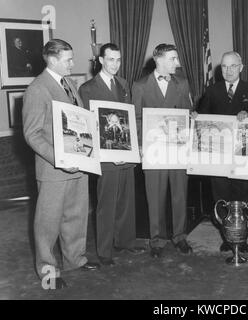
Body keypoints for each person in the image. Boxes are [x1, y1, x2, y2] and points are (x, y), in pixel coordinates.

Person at [22, 39, 100, 290]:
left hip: (78, 164)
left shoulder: (68, 84)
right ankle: (47, 271)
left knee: (76, 216)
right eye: (68, 59)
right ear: (52, 60)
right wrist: (60, 159)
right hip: (54, 168)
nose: (73, 63)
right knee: (48, 222)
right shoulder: (37, 88)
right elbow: (32, 134)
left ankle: (75, 259)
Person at [79, 43, 145, 267]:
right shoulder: (88, 88)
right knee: (106, 203)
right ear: (100, 60)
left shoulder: (124, 84)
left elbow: (128, 118)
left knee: (127, 199)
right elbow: (90, 125)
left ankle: (125, 240)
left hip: (126, 152)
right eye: (110, 60)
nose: (115, 64)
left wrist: (136, 147)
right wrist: (108, 152)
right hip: (105, 155)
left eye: (118, 60)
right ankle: (105, 250)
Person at [197, 51, 248, 253]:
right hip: (218, 155)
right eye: (225, 67)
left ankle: (241, 236)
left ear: (241, 67)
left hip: (243, 155)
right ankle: (226, 237)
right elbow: (202, 120)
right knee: (221, 196)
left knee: (242, 195)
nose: (228, 70)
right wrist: (195, 116)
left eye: (233, 66)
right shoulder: (212, 91)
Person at [132, 43, 193, 258]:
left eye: (176, 58)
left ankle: (180, 236)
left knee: (180, 194)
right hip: (153, 150)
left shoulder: (183, 84)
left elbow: (188, 113)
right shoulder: (140, 85)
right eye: (173, 59)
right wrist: (140, 145)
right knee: (154, 196)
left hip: (178, 150)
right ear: (158, 60)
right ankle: (156, 240)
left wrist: (193, 120)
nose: (177, 63)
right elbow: (137, 118)